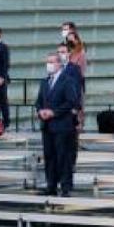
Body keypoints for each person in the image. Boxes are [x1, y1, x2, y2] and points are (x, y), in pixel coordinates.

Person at [36, 46, 83, 196]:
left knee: (64, 157)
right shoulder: (44, 82)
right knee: (49, 157)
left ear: (58, 64)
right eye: (47, 62)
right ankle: (51, 185)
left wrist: (53, 113)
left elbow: (72, 102)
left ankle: (65, 187)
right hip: (47, 126)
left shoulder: (67, 80)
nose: (48, 65)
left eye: (51, 62)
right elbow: (38, 101)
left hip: (62, 125)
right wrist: (40, 111)